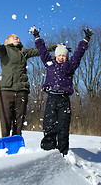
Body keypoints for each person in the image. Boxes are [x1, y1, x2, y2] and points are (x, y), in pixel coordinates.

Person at [0, 23, 56, 137]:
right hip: (6, 89)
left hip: (22, 90)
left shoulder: (24, 52)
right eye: (12, 36)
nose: (16, 37)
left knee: (19, 120)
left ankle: (16, 142)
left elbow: (40, 51)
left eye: (17, 36)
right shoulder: (4, 50)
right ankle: (3, 139)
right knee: (5, 119)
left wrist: (56, 47)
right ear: (7, 41)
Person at [29, 25, 94, 156]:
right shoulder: (49, 64)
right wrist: (37, 37)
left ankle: (63, 152)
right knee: (49, 125)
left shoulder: (70, 65)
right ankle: (48, 151)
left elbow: (78, 54)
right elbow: (42, 51)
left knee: (63, 127)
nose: (61, 57)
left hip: (64, 100)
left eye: (64, 55)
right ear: (55, 55)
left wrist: (86, 39)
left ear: (66, 57)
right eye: (59, 55)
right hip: (51, 98)